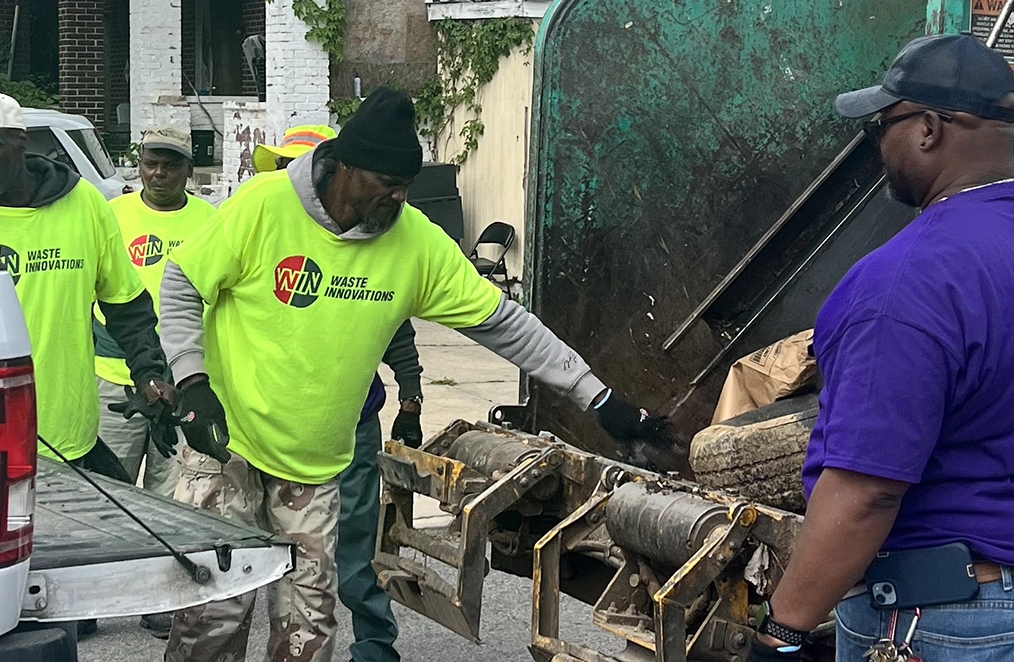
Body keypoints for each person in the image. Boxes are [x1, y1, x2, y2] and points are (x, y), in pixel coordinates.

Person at [155, 88, 671, 662]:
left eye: (406, 185)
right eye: (387, 184)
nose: (400, 197)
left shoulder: (416, 242)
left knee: (307, 631)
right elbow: (182, 284)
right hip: (227, 446)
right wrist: (192, 382)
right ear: (345, 165)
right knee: (212, 621)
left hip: (313, 466)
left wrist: (599, 399)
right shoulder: (263, 206)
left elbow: (505, 324)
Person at [751, 35, 1014, 662]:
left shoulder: (906, 282)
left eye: (881, 126)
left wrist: (782, 632)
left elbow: (867, 490)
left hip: (951, 622)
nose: (877, 146)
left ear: (928, 129)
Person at [0, 91, 173, 480]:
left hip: (69, 433)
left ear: (21, 141)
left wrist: (149, 374)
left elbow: (126, 305)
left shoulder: (83, 204)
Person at [253, 121, 425, 662]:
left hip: (347, 424)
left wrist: (412, 396)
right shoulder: (261, 226)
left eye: (293, 167)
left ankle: (374, 646)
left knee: (351, 548)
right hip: (259, 425)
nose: (289, 178)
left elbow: (398, 327)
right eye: (282, 168)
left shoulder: (372, 248)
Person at [89, 125, 217, 640]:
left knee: (171, 494)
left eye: (169, 163)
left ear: (189, 169)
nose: (158, 172)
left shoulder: (211, 220)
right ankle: (92, 598)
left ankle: (161, 598)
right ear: (137, 164)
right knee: (105, 493)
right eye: (149, 162)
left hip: (182, 377)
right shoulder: (112, 215)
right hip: (113, 375)